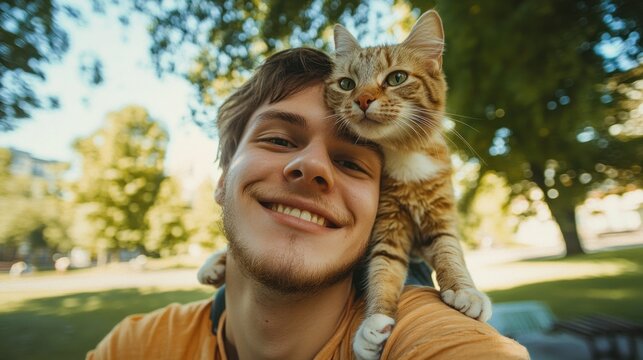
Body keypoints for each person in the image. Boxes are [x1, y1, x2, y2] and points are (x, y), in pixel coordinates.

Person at [87, 48, 529, 360]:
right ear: (222, 180)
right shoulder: (135, 346)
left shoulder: (430, 340)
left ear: (380, 205)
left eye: (350, 162)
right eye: (278, 139)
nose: (312, 167)